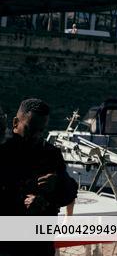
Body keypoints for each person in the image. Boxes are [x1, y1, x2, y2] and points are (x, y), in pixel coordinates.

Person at [0, 98, 79, 256]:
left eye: (41, 131)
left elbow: (70, 193)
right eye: (31, 129)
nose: (36, 135)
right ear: (15, 123)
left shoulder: (50, 154)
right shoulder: (3, 152)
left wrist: (56, 186)